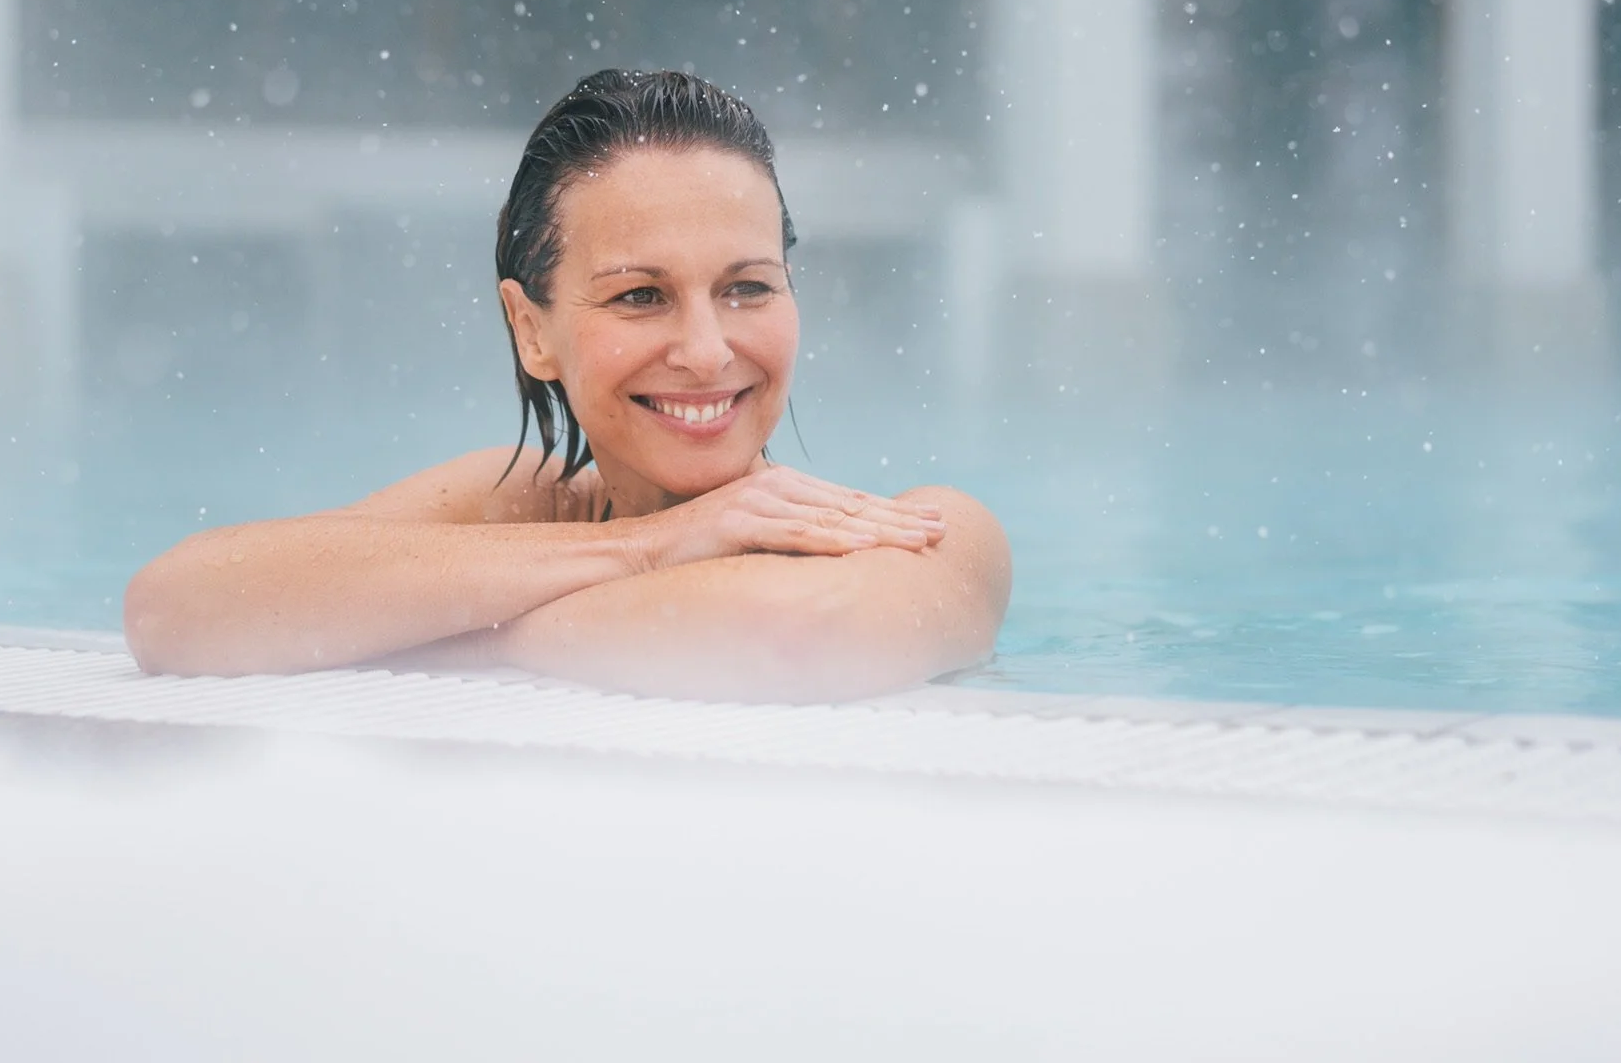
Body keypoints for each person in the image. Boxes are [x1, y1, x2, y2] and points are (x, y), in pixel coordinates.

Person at [124, 69, 1010, 703]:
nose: (706, 351)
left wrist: (426, 627)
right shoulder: (520, 501)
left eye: (747, 287)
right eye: (639, 296)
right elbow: (176, 608)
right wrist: (650, 546)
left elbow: (796, 636)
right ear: (532, 329)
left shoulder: (933, 532)